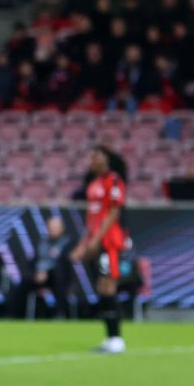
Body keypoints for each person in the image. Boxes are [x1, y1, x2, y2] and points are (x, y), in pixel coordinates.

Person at [71, 146, 128, 354]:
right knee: (102, 287)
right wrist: (83, 244)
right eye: (91, 158)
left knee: (108, 285)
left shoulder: (113, 181)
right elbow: (91, 219)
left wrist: (97, 239)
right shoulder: (93, 185)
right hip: (97, 242)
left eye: (96, 157)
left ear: (105, 160)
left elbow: (113, 212)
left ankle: (117, 339)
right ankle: (110, 338)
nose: (93, 161)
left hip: (109, 241)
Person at [15, 214, 72, 318]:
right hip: (39, 275)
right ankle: (16, 315)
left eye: (55, 228)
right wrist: (36, 274)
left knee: (59, 278)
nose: (52, 230)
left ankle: (60, 314)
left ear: (62, 229)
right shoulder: (42, 242)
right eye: (51, 227)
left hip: (56, 276)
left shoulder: (67, 243)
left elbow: (66, 263)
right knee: (24, 282)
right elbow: (34, 261)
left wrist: (47, 272)